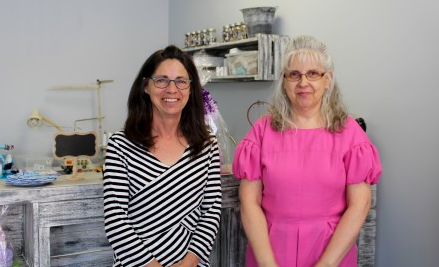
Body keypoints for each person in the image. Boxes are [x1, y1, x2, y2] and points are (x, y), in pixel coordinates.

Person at [232, 35, 382, 267]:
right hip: (270, 253)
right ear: (284, 81)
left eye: (313, 73)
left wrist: (326, 264)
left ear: (328, 79)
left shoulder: (351, 133)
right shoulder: (262, 130)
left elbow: (359, 206)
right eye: (294, 74)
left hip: (332, 253)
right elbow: (249, 203)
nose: (303, 82)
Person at [102, 45, 222, 267]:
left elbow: (211, 209)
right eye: (162, 80)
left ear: (190, 88)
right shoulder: (120, 145)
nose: (172, 89)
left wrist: (189, 262)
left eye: (181, 81)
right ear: (146, 86)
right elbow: (115, 217)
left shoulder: (206, 145)